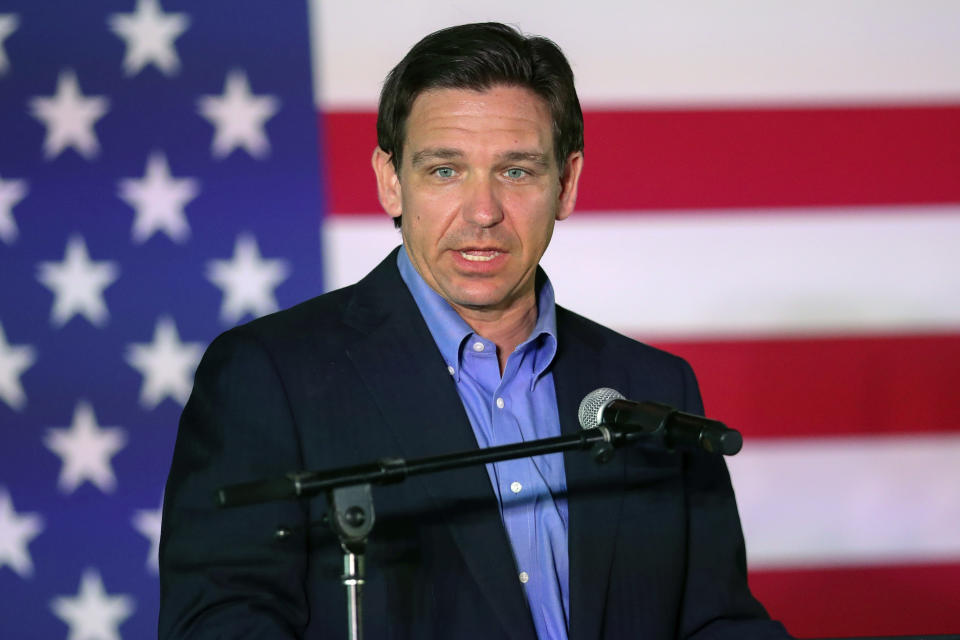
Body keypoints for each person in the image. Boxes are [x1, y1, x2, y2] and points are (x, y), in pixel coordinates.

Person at [159, 22, 791, 640]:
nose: (483, 212)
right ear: (390, 180)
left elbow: (715, 619)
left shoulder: (654, 387)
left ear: (566, 183)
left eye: (516, 171)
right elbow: (221, 621)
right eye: (445, 170)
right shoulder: (269, 375)